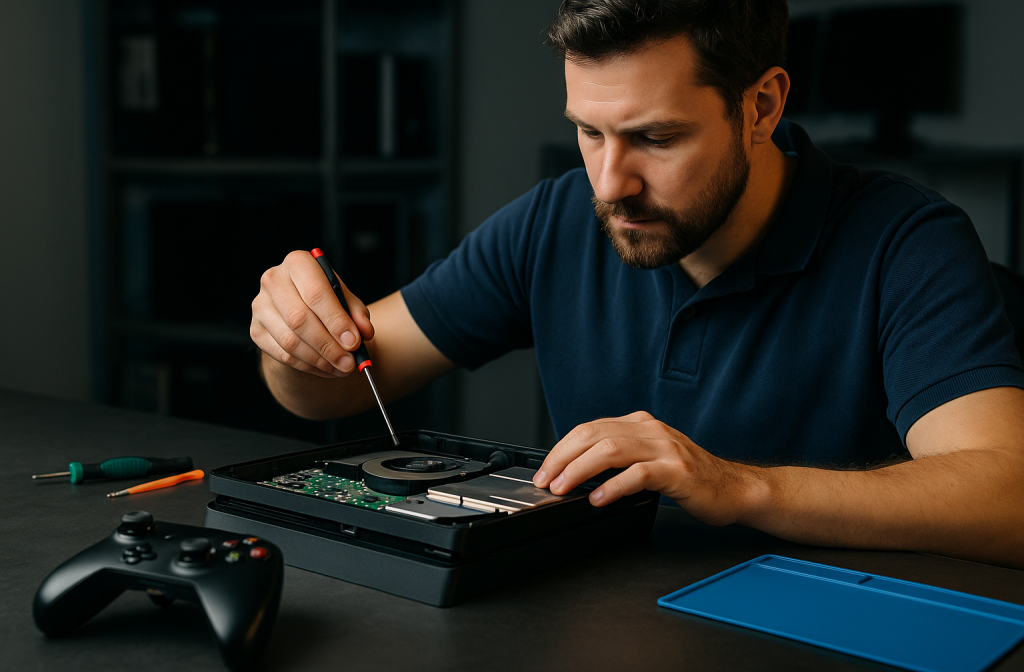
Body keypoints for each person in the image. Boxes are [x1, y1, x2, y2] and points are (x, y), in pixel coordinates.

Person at [250, 0, 1024, 569]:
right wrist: (296, 339)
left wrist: (739, 485)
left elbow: (1007, 495)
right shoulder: (555, 219)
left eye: (655, 137)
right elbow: (338, 390)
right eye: (589, 132)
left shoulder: (906, 241)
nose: (610, 183)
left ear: (761, 106)